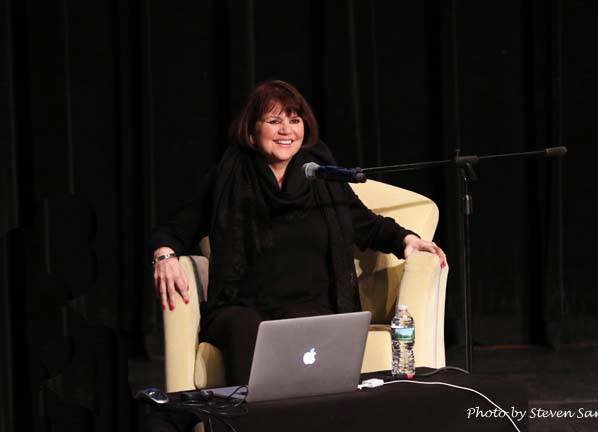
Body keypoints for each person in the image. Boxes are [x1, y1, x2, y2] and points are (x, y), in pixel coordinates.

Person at [150, 79, 447, 387]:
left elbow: (366, 224)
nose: (286, 130)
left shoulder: (320, 175)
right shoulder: (229, 177)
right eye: (274, 121)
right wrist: (165, 256)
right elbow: (173, 230)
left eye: (294, 120)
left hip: (313, 309)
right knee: (244, 327)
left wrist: (407, 239)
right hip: (244, 309)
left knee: (324, 330)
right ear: (251, 132)